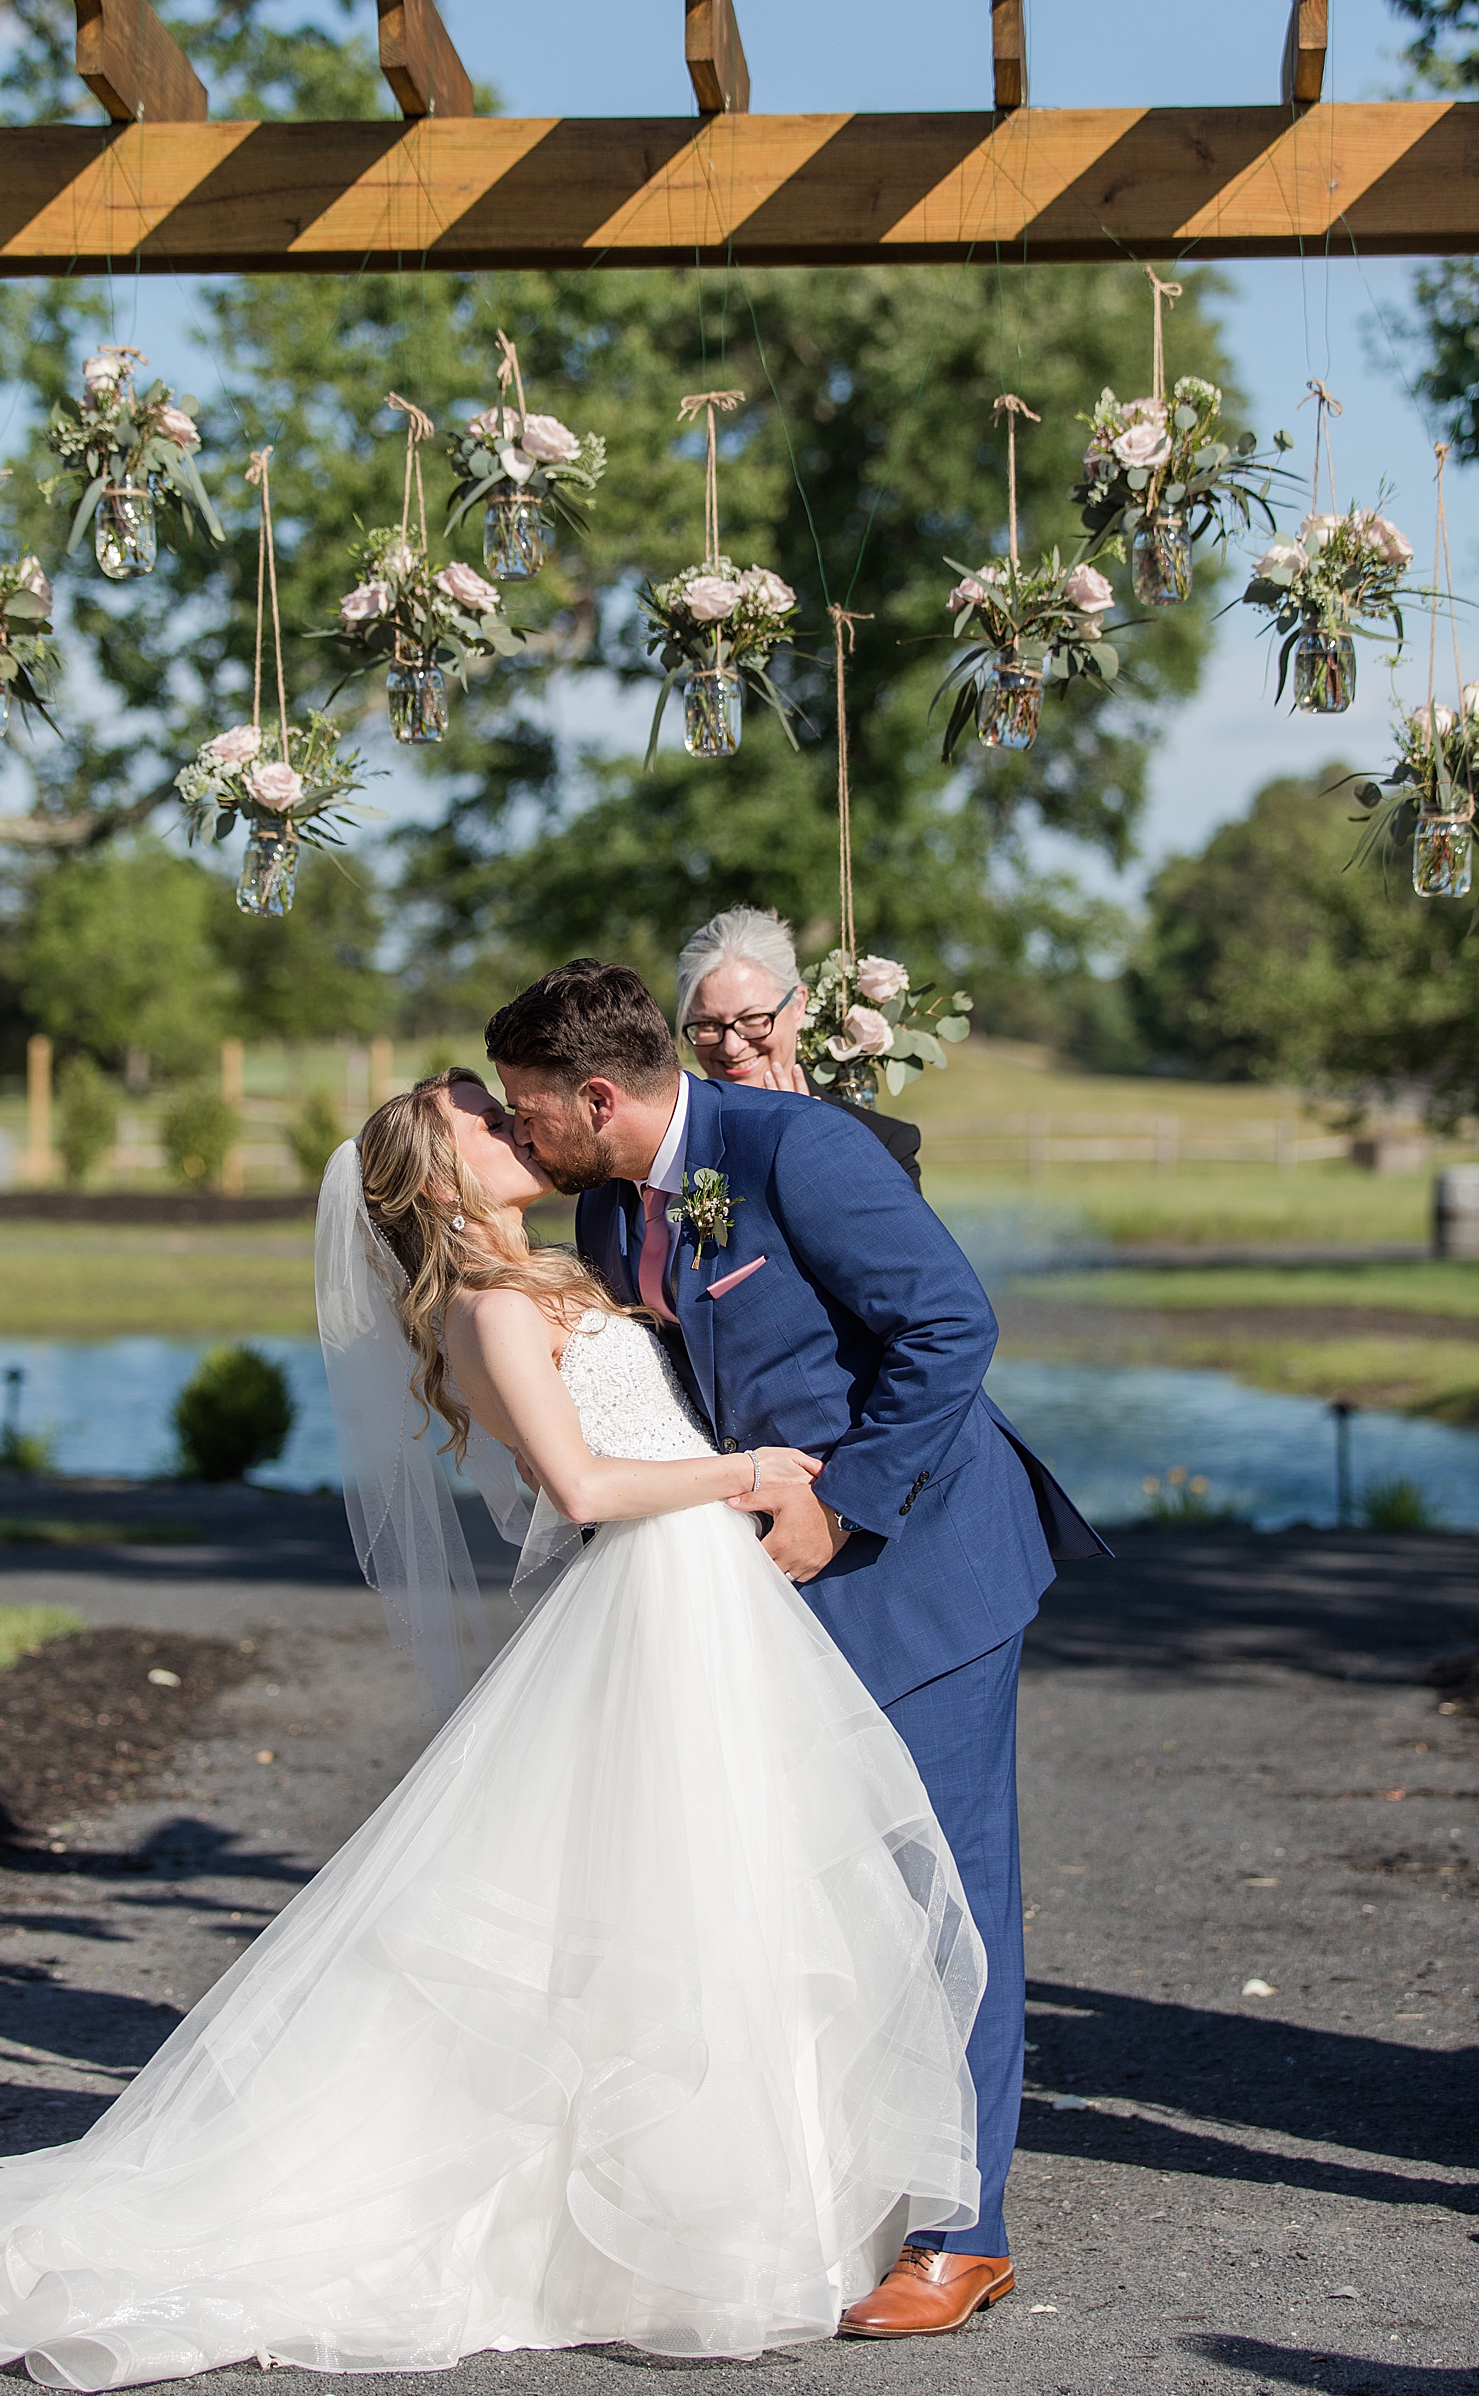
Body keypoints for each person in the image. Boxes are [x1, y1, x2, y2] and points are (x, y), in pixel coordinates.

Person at [0, 1067, 986, 2383]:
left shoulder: (560, 1262)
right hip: (660, 1586)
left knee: (707, 1898)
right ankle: (647, 2231)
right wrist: (746, 1473)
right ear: (432, 1177)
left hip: (700, 1597)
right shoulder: (484, 1304)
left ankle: (756, 2215)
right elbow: (583, 1487)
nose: (512, 1127)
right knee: (653, 1908)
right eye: (483, 1119)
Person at [485, 961, 1109, 2341]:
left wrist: (843, 1502)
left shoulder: (798, 1149)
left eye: (530, 1113)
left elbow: (950, 1329)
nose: (518, 1137)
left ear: (599, 1095)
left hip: (922, 1568)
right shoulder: (602, 1203)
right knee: (801, 1892)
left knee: (942, 1886)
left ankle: (967, 2234)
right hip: (760, 1594)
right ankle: (848, 2191)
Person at [676, 904, 923, 1189]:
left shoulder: (883, 1144)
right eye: (708, 1025)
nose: (732, 1047)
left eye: (753, 1019)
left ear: (798, 1005)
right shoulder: (673, 1141)